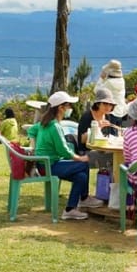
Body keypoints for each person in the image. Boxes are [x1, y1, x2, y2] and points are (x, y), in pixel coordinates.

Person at [33, 91, 104, 220]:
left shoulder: (45, 123)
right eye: (68, 106)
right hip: (49, 166)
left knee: (81, 176)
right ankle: (84, 198)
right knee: (83, 164)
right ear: (61, 108)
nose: (70, 109)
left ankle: (70, 209)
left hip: (44, 164)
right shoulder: (55, 126)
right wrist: (80, 158)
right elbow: (63, 151)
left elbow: (33, 131)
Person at [76, 86, 119, 160]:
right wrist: (97, 127)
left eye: (110, 104)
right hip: (86, 152)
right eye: (105, 103)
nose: (108, 107)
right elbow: (82, 140)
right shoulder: (87, 116)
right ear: (98, 104)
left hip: (102, 150)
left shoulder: (108, 117)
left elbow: (110, 137)